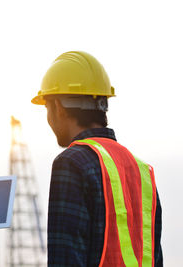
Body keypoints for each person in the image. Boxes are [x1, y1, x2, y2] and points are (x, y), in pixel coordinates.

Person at [31, 51, 162, 266]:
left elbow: (64, 258)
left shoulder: (71, 162)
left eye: (46, 107)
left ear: (57, 107)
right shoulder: (143, 171)